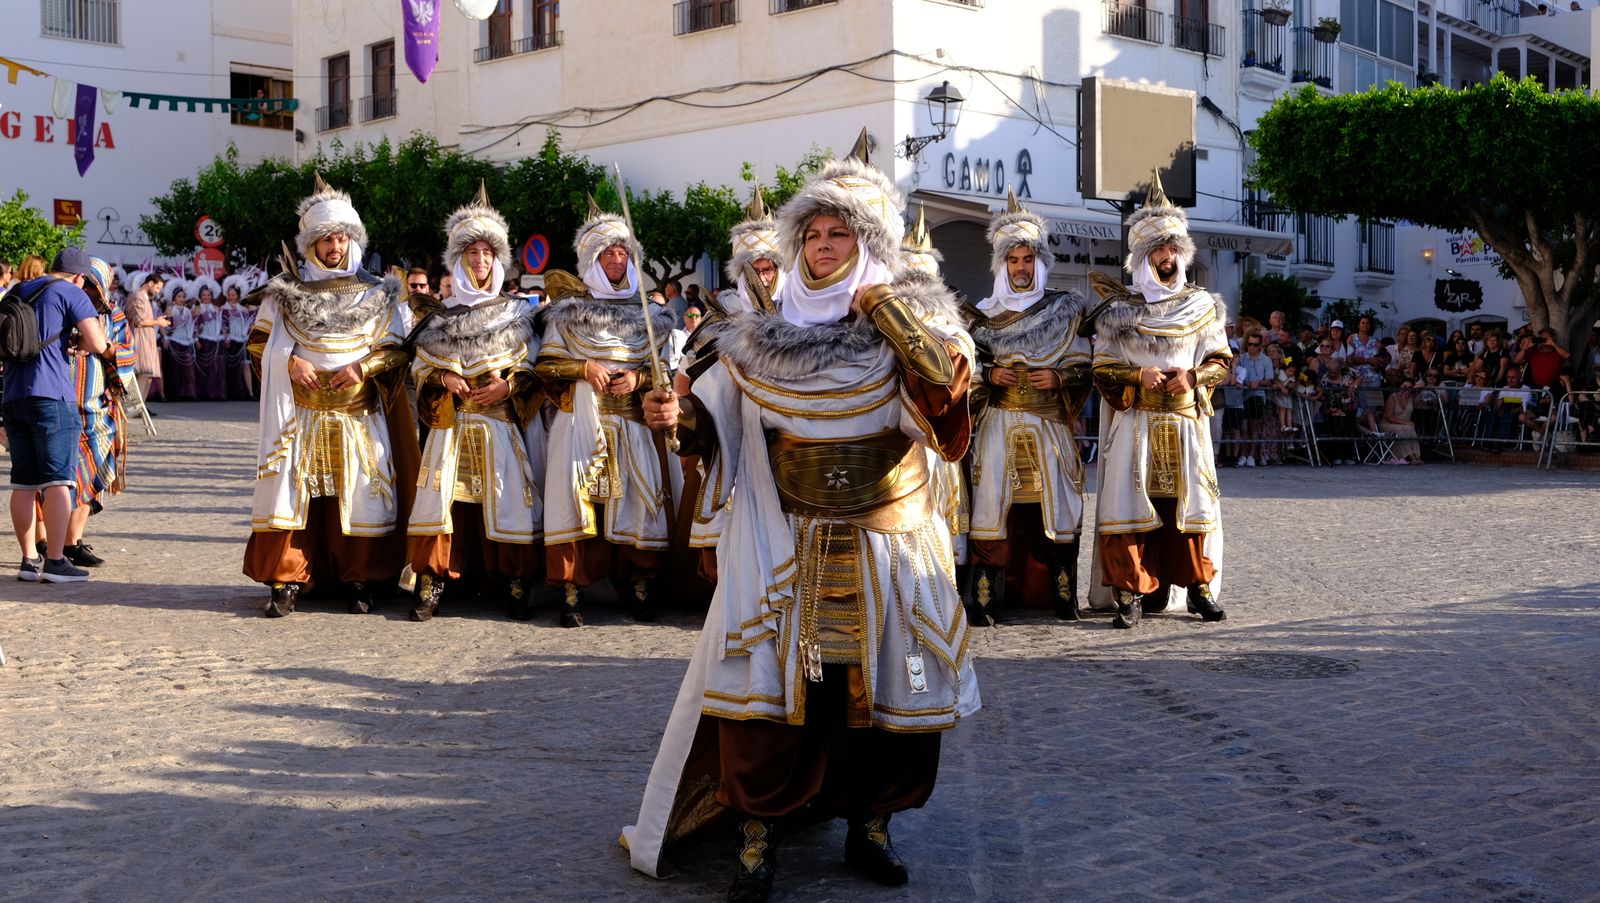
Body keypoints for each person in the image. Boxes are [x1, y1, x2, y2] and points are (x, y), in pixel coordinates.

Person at [626, 134, 978, 900]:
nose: (822, 246)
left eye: (840, 232)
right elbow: (712, 421)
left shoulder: (919, 325)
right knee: (772, 703)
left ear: (870, 242)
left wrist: (884, 304)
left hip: (888, 536)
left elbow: (946, 411)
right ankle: (758, 833)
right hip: (783, 537)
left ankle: (872, 824)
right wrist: (671, 414)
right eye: (811, 233)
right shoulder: (754, 335)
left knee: (886, 695)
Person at [242, 173, 418, 617]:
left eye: (340, 238)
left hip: (358, 414)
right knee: (297, 500)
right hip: (299, 415)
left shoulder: (380, 294)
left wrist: (363, 366)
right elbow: (259, 343)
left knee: (358, 496)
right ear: (310, 245)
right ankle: (288, 579)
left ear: (352, 241)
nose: (333, 246)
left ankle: (360, 578)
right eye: (324, 239)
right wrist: (288, 362)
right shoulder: (285, 294)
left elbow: (395, 351)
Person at [1089, 171, 1230, 628]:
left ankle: (1198, 587)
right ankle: (1130, 592)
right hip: (1137, 422)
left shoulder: (1203, 305)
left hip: (1187, 423)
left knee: (1189, 508)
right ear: (1142, 257)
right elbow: (1101, 366)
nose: (1166, 257)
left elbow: (1222, 360)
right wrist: (1138, 373)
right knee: (1130, 509)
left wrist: (1193, 376)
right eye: (1157, 250)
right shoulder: (1119, 310)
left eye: (1172, 249)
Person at [534, 196, 676, 625]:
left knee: (636, 502)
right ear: (593, 260)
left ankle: (638, 585)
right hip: (580, 419)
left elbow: (663, 370)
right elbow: (545, 364)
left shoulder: (650, 315)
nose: (617, 259)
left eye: (623, 252)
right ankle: (571, 590)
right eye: (608, 253)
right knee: (576, 502)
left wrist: (639, 379)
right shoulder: (567, 314)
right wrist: (582, 367)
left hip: (630, 420)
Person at [407, 185, 543, 622]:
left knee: (507, 501)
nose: (481, 260)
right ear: (459, 260)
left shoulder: (519, 314)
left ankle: (515, 580)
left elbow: (535, 366)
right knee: (442, 501)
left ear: (497, 260)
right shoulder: (440, 315)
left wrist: (510, 386)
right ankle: (431, 580)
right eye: (472, 253)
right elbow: (419, 369)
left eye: (488, 252)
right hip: (452, 426)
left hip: (500, 426)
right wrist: (442, 376)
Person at [964, 190, 1091, 624]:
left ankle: (1062, 597)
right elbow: (964, 371)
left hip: (1048, 426)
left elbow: (1084, 364)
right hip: (999, 426)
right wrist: (987, 376)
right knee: (990, 508)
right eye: (1013, 260)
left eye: (1028, 259)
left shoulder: (1064, 310)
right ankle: (984, 600)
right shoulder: (980, 317)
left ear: (1041, 262)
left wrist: (1059, 378)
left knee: (1055, 509)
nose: (1021, 267)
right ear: (1002, 266)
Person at [4, 248, 109, 583]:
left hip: (13, 395)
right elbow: (97, 341)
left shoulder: (19, 289)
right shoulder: (71, 293)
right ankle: (56, 562)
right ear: (80, 277)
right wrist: (83, 341)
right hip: (52, 396)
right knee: (58, 481)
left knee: (23, 483)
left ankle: (27, 560)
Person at [54, 256, 130, 568]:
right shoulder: (56, 308)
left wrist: (105, 346)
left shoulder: (115, 316)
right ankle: (47, 543)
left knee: (92, 476)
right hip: (58, 404)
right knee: (55, 478)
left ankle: (73, 542)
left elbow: (128, 351)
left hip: (98, 408)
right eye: (85, 285)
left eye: (94, 288)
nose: (89, 293)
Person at [1233, 331, 1273, 467]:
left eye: (1255, 345)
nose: (1252, 347)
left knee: (1255, 427)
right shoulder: (1242, 358)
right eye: (1249, 344)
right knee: (1243, 428)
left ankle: (1251, 456)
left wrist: (1259, 383)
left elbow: (1269, 380)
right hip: (1243, 396)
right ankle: (1243, 455)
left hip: (1257, 396)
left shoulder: (1266, 360)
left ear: (1260, 346)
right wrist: (1246, 383)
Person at [220, 275, 257, 399]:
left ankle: (250, 392)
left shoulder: (244, 310)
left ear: (238, 295)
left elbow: (251, 322)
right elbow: (223, 325)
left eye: (234, 294)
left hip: (243, 340)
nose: (231, 297)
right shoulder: (223, 309)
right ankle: (231, 392)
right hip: (231, 341)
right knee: (231, 367)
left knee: (246, 365)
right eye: (229, 294)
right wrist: (226, 337)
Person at [161, 280, 197, 400]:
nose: (181, 299)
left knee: (188, 368)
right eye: (179, 296)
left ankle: (189, 393)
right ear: (174, 298)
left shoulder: (188, 311)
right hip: (175, 340)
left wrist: (194, 337)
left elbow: (191, 326)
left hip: (186, 341)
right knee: (174, 368)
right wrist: (166, 336)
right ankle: (174, 394)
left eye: (183, 296)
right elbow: (167, 328)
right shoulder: (170, 309)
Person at [193, 276, 228, 401]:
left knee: (217, 366)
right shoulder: (197, 309)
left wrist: (225, 336)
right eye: (204, 295)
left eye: (208, 295)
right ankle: (204, 393)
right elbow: (195, 326)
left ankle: (217, 393)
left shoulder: (217, 308)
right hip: (204, 340)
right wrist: (196, 340)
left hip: (216, 340)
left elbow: (221, 325)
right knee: (205, 366)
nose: (206, 297)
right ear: (200, 296)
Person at [1380, 381, 1423, 464]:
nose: (1405, 388)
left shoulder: (1412, 397)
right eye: (1404, 386)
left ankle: (1417, 455)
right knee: (1403, 428)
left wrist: (1411, 391)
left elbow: (1421, 385)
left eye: (1408, 387)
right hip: (1388, 424)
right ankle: (1411, 456)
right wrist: (1405, 422)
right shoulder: (1393, 397)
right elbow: (1389, 417)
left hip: (1405, 425)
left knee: (1410, 428)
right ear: (1400, 386)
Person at [1516, 327, 1570, 393]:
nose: (1544, 339)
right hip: (1536, 387)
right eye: (1541, 337)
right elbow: (1517, 361)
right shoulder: (1534, 352)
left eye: (1546, 337)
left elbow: (1567, 355)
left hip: (1554, 388)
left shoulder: (1557, 352)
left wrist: (1553, 344)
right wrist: (1525, 347)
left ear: (1553, 338)